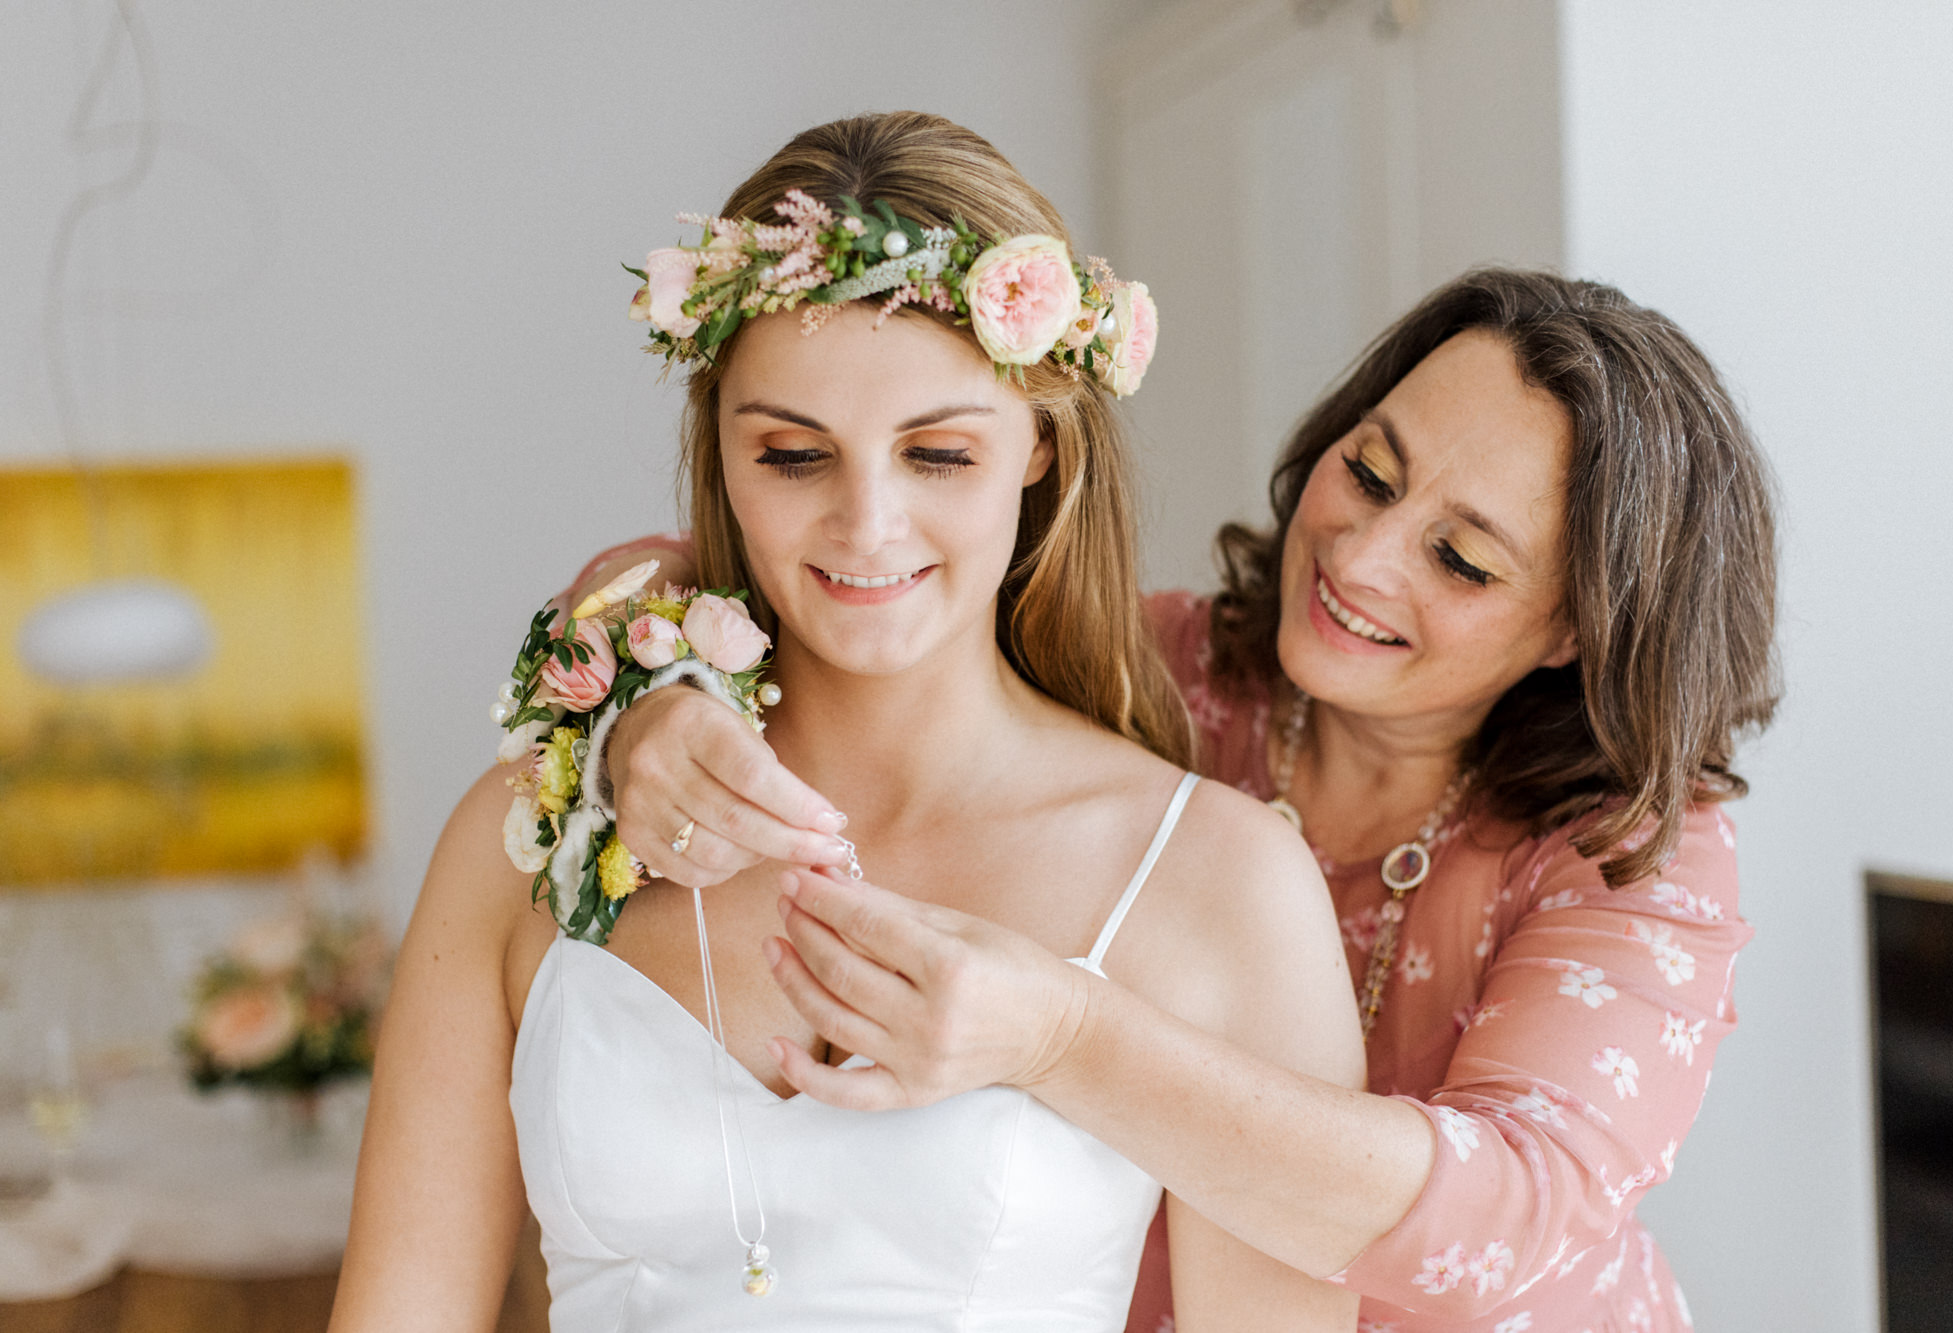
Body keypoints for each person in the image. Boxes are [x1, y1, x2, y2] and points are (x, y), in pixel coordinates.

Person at [575, 267, 1779, 1331]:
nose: (1359, 558)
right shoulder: (1152, 673)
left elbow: (1500, 1216)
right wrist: (656, 684)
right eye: (1366, 472)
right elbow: (849, 570)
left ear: (1577, 625)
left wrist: (1063, 1036)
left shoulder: (1633, 854)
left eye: (1460, 559)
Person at [330, 111, 1365, 1333]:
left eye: (935, 453)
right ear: (718, 451)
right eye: (791, 455)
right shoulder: (526, 833)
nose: (864, 528)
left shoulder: (1215, 877)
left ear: (1039, 444)